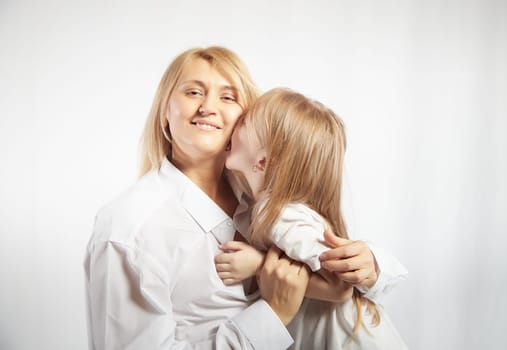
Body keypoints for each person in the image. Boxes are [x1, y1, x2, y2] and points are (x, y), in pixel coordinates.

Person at [84, 46, 404, 350]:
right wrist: (273, 314)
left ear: (245, 117)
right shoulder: (128, 229)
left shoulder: (265, 198)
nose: (208, 107)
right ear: (164, 112)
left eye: (228, 96)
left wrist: (372, 265)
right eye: (193, 91)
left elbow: (335, 270)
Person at [217, 88, 408, 349]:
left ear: (261, 163)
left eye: (245, 123)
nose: (235, 126)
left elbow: (340, 287)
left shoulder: (279, 216)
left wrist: (259, 265)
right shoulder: (273, 208)